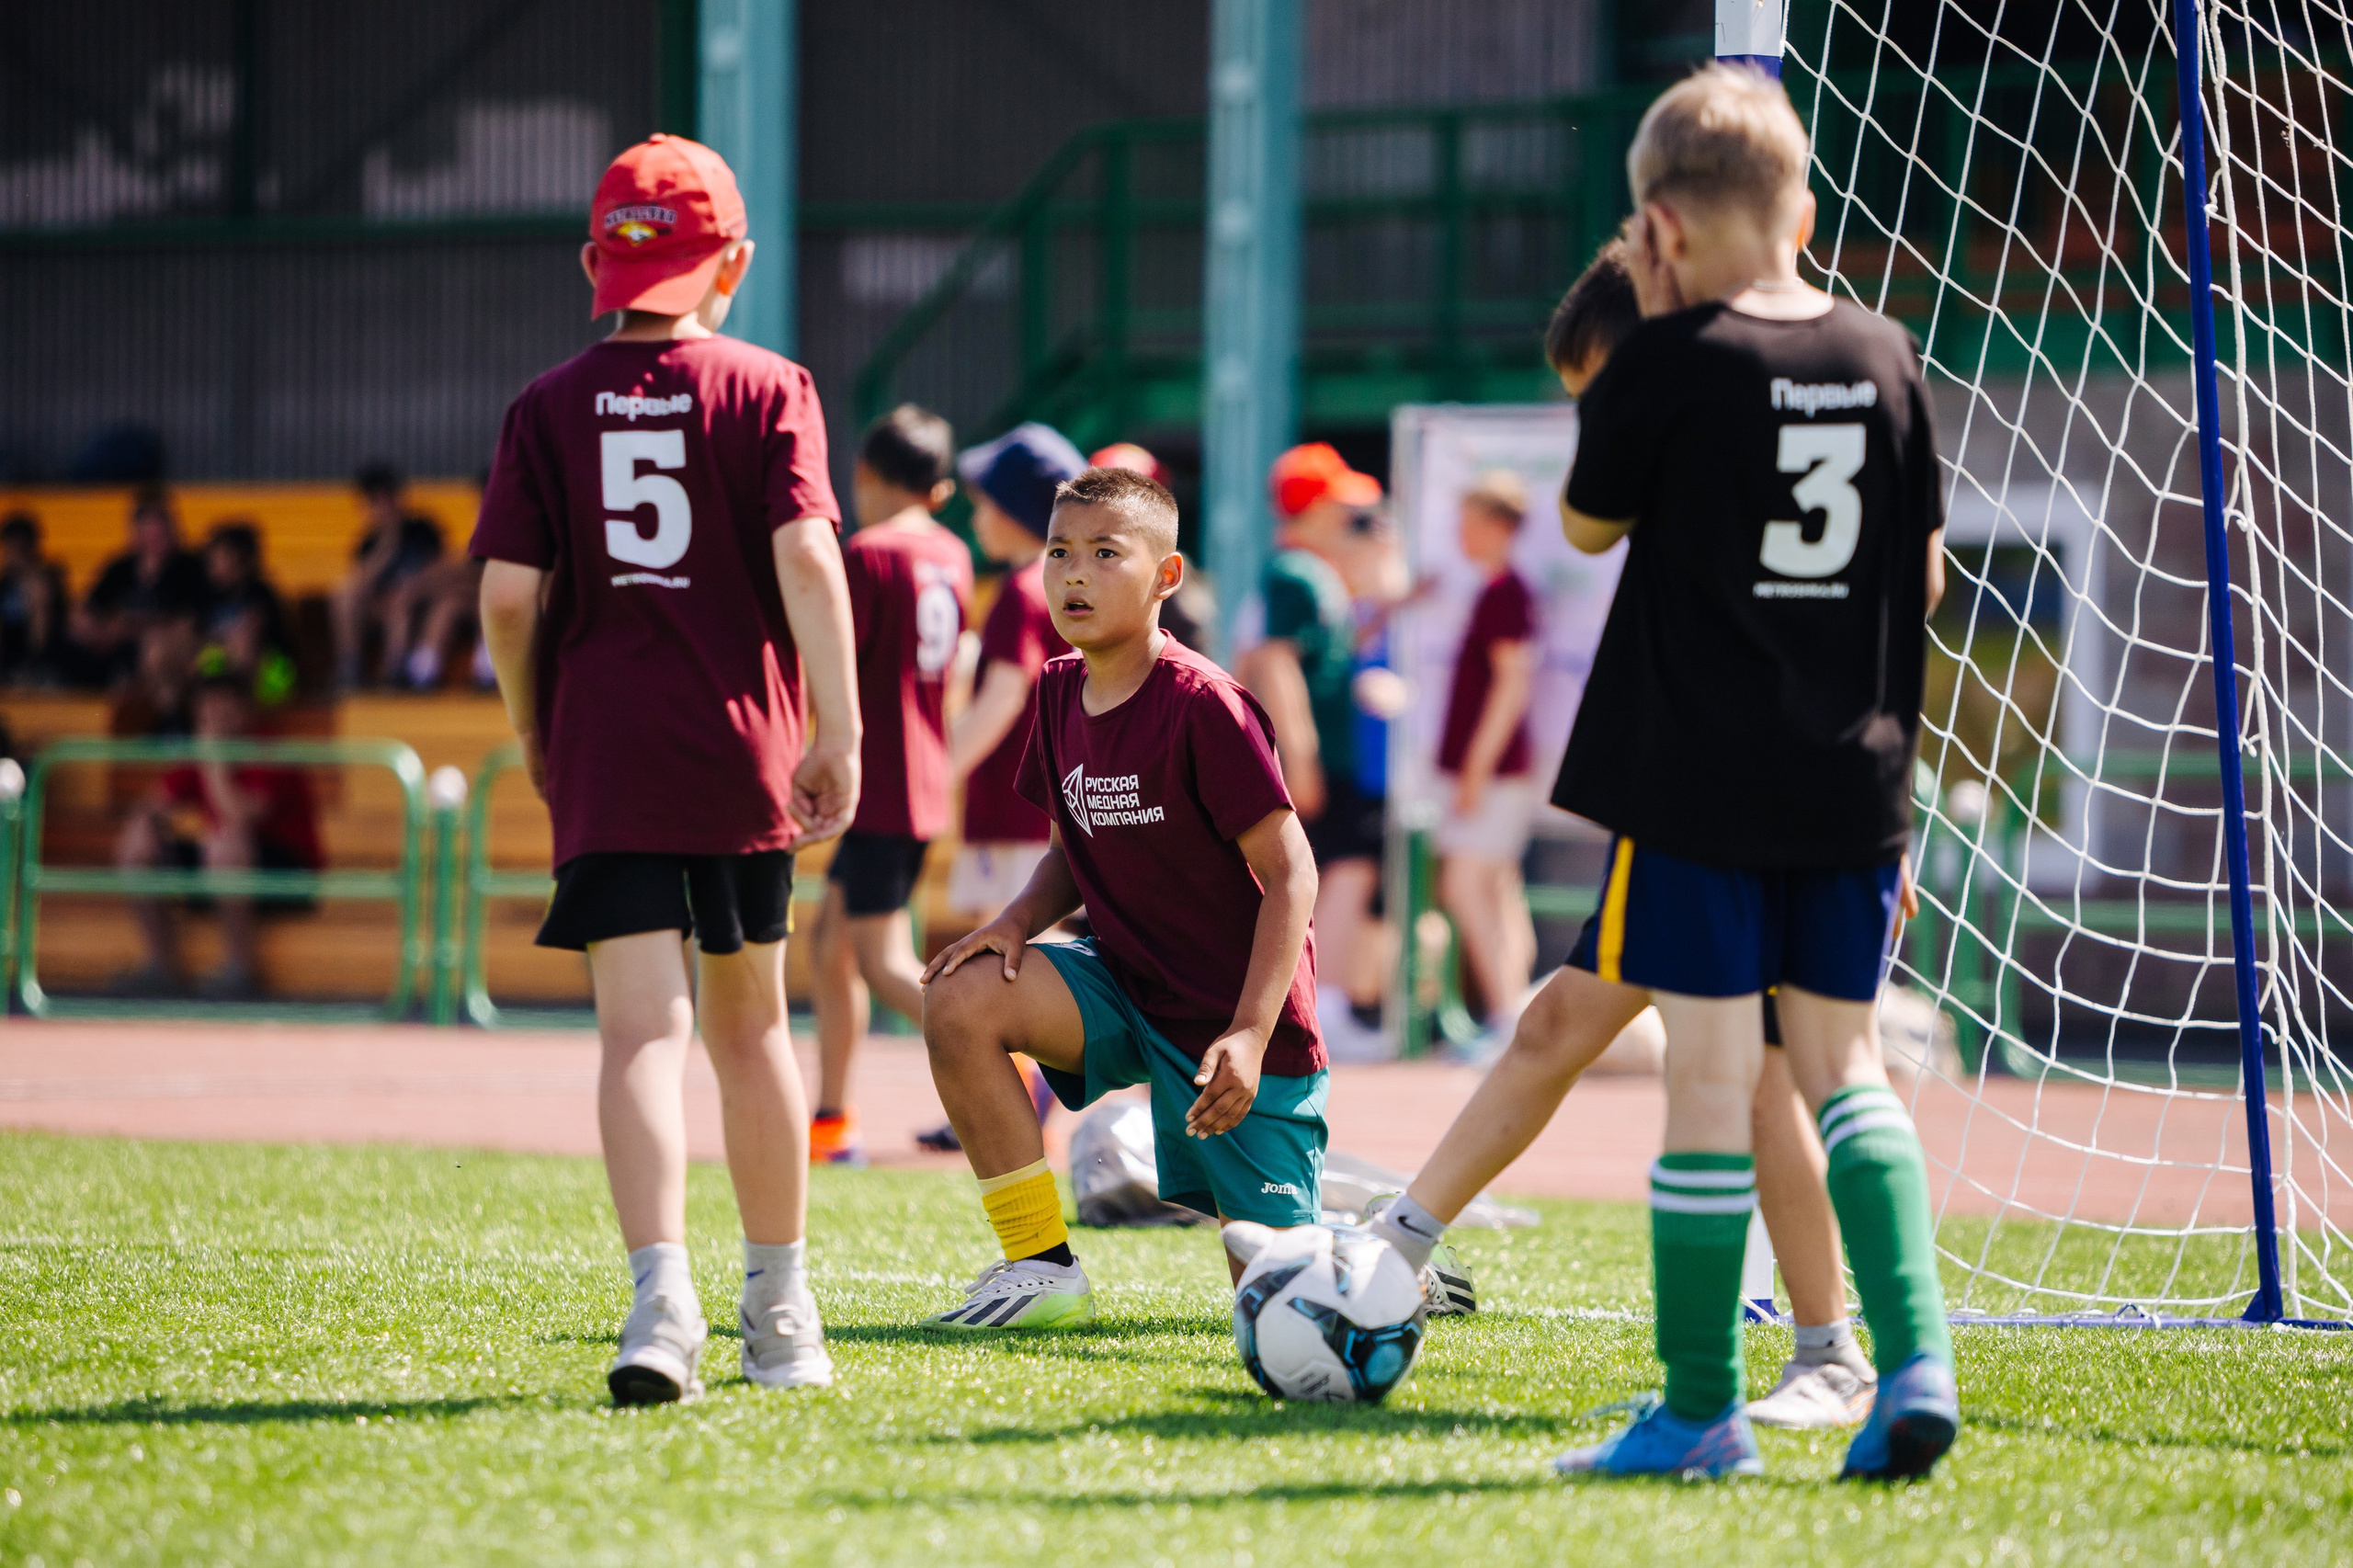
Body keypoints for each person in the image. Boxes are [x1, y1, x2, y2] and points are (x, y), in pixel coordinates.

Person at [1374, 68, 1956, 1481]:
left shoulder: (1672, 362)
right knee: (1845, 1074)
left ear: (1656, 230)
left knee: (1710, 1084)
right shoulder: (1885, 351)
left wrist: (1658, 364)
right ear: (1803, 209)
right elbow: (1927, 580)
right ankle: (1911, 1367)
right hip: (1854, 784)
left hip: (1702, 781)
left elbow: (1582, 526)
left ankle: (1701, 1410)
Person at [472, 133, 860, 1405]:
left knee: (639, 1033)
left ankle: (658, 1301)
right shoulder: (769, 385)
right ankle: (781, 1307)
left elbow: (510, 600)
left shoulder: (543, 404)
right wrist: (838, 729)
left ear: (598, 261)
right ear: (734, 261)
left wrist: (536, 727)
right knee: (752, 1029)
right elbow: (808, 560)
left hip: (607, 754)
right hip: (739, 750)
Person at [917, 466, 1324, 1327]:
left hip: (1233, 1020)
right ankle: (1039, 1267)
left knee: (1283, 1302)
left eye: (1106, 553)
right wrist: (1013, 923)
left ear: (1166, 577)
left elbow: (1294, 873)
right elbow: (1071, 847)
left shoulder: (1207, 704)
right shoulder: (1059, 687)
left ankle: (1378, 1261)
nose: (1074, 573)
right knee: (958, 999)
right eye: (1059, 551)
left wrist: (1250, 1034)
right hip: (1125, 984)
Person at [914, 423, 1086, 1156]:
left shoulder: (1023, 586)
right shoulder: (1047, 584)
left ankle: (1014, 1102)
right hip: (1034, 809)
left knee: (1006, 966)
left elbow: (1005, 697)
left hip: (1018, 813)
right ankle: (1010, 1099)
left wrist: (935, 768)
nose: (976, 512)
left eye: (987, 499)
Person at [807, 404, 972, 1166]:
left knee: (879, 960)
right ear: (938, 492)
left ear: (864, 473)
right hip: (922, 774)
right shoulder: (953, 554)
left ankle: (1009, 1067)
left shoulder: (869, 553)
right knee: (833, 943)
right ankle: (833, 1118)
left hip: (879, 775)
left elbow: (836, 657)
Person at [1244, 444, 1386, 1060]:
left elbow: (1327, 651)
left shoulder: (1315, 571)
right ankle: (1320, 1004)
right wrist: (1297, 755)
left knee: (1349, 869)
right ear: (1315, 506)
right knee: (1338, 871)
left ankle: (1323, 1003)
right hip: (1321, 758)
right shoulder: (1293, 571)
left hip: (1338, 754)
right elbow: (1276, 662)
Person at [113, 674, 324, 999]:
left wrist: (213, 763)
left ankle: (241, 971)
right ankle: (161, 967)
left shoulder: (271, 751)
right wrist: (148, 823)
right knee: (138, 840)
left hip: (287, 873)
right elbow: (151, 803)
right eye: (207, 711)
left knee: (226, 842)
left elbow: (236, 814)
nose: (215, 718)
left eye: (225, 709)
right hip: (224, 867)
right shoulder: (200, 750)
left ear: (247, 711)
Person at [1434, 472, 1541, 1036]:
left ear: (1499, 527)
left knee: (1468, 885)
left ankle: (1506, 1017)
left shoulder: (1506, 593)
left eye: (1471, 522)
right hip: (1495, 771)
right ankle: (1512, 1014)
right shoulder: (1498, 589)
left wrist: (1475, 769)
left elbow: (1511, 685)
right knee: (1496, 888)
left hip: (1494, 773)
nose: (1461, 533)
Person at [68, 487, 206, 686]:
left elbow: (189, 620)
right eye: (148, 532)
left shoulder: (188, 567)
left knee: (155, 651)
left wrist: (129, 627)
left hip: (162, 643)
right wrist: (93, 624)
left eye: (160, 532)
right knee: (78, 631)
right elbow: (92, 605)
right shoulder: (120, 568)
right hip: (118, 642)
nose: (155, 539)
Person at [335, 462, 446, 688]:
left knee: (400, 604)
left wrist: (411, 588)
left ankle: (394, 672)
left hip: (418, 603)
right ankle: (351, 667)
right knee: (343, 597)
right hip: (381, 604)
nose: (382, 507)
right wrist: (388, 542)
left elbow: (441, 571)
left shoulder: (422, 529)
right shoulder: (369, 542)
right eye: (374, 501)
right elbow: (360, 584)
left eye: (386, 498)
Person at [196, 522, 295, 700]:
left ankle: (240, 707)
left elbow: (253, 638)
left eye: (218, 556)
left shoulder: (261, 594)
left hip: (273, 673)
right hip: (224, 671)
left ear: (240, 558)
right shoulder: (207, 596)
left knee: (242, 643)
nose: (211, 563)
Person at [0, 511, 67, 684]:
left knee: (37, 592)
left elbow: (53, 611)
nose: (10, 553)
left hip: (47, 654)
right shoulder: (5, 582)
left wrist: (25, 572)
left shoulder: (49, 575)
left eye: (17, 547)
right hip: (10, 652)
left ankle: (35, 669)